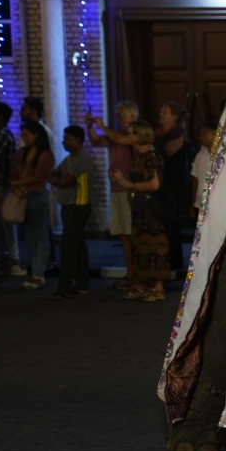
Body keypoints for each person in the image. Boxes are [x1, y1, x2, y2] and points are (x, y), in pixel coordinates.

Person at [110, 120, 170, 302]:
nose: (128, 137)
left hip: (151, 207)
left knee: (154, 244)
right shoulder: (138, 156)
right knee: (139, 243)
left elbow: (154, 184)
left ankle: (157, 287)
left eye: (132, 133)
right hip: (139, 205)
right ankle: (142, 284)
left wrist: (131, 184)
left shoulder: (151, 156)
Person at [87, 101, 139, 291]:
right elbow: (96, 141)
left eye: (121, 116)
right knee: (123, 234)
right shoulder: (115, 136)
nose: (118, 119)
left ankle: (137, 273)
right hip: (117, 190)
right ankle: (130, 272)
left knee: (131, 233)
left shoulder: (135, 135)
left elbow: (123, 140)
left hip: (130, 190)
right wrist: (90, 127)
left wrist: (103, 127)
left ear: (132, 116)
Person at [49, 126, 93, 298]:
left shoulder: (81, 159)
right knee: (78, 247)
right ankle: (82, 284)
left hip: (78, 206)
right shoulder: (70, 159)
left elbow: (63, 181)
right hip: (70, 206)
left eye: (67, 138)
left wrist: (52, 179)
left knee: (68, 248)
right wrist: (55, 178)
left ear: (78, 141)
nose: (63, 141)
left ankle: (64, 287)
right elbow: (57, 173)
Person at [12, 122, 56, 290]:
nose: (24, 138)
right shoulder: (22, 153)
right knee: (30, 235)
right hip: (23, 194)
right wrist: (17, 186)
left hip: (37, 195)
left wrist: (18, 183)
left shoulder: (45, 155)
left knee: (40, 234)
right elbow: (14, 170)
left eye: (27, 134)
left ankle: (39, 273)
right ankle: (35, 271)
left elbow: (39, 177)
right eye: (23, 135)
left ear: (36, 135)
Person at [155, 101, 191, 273]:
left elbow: (169, 156)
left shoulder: (175, 135)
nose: (161, 116)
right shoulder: (162, 133)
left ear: (174, 117)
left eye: (165, 113)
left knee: (172, 225)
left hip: (173, 184)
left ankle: (174, 265)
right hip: (166, 183)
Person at [0, 102, 21, 275]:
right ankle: (8, 255)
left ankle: (13, 256)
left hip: (0, 184)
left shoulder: (2, 135)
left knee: (6, 221)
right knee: (2, 222)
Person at [190, 125, 216, 218]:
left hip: (216, 204)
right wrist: (193, 202)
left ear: (214, 135)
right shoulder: (200, 155)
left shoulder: (223, 157)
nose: (201, 137)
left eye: (204, 134)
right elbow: (195, 179)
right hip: (199, 203)